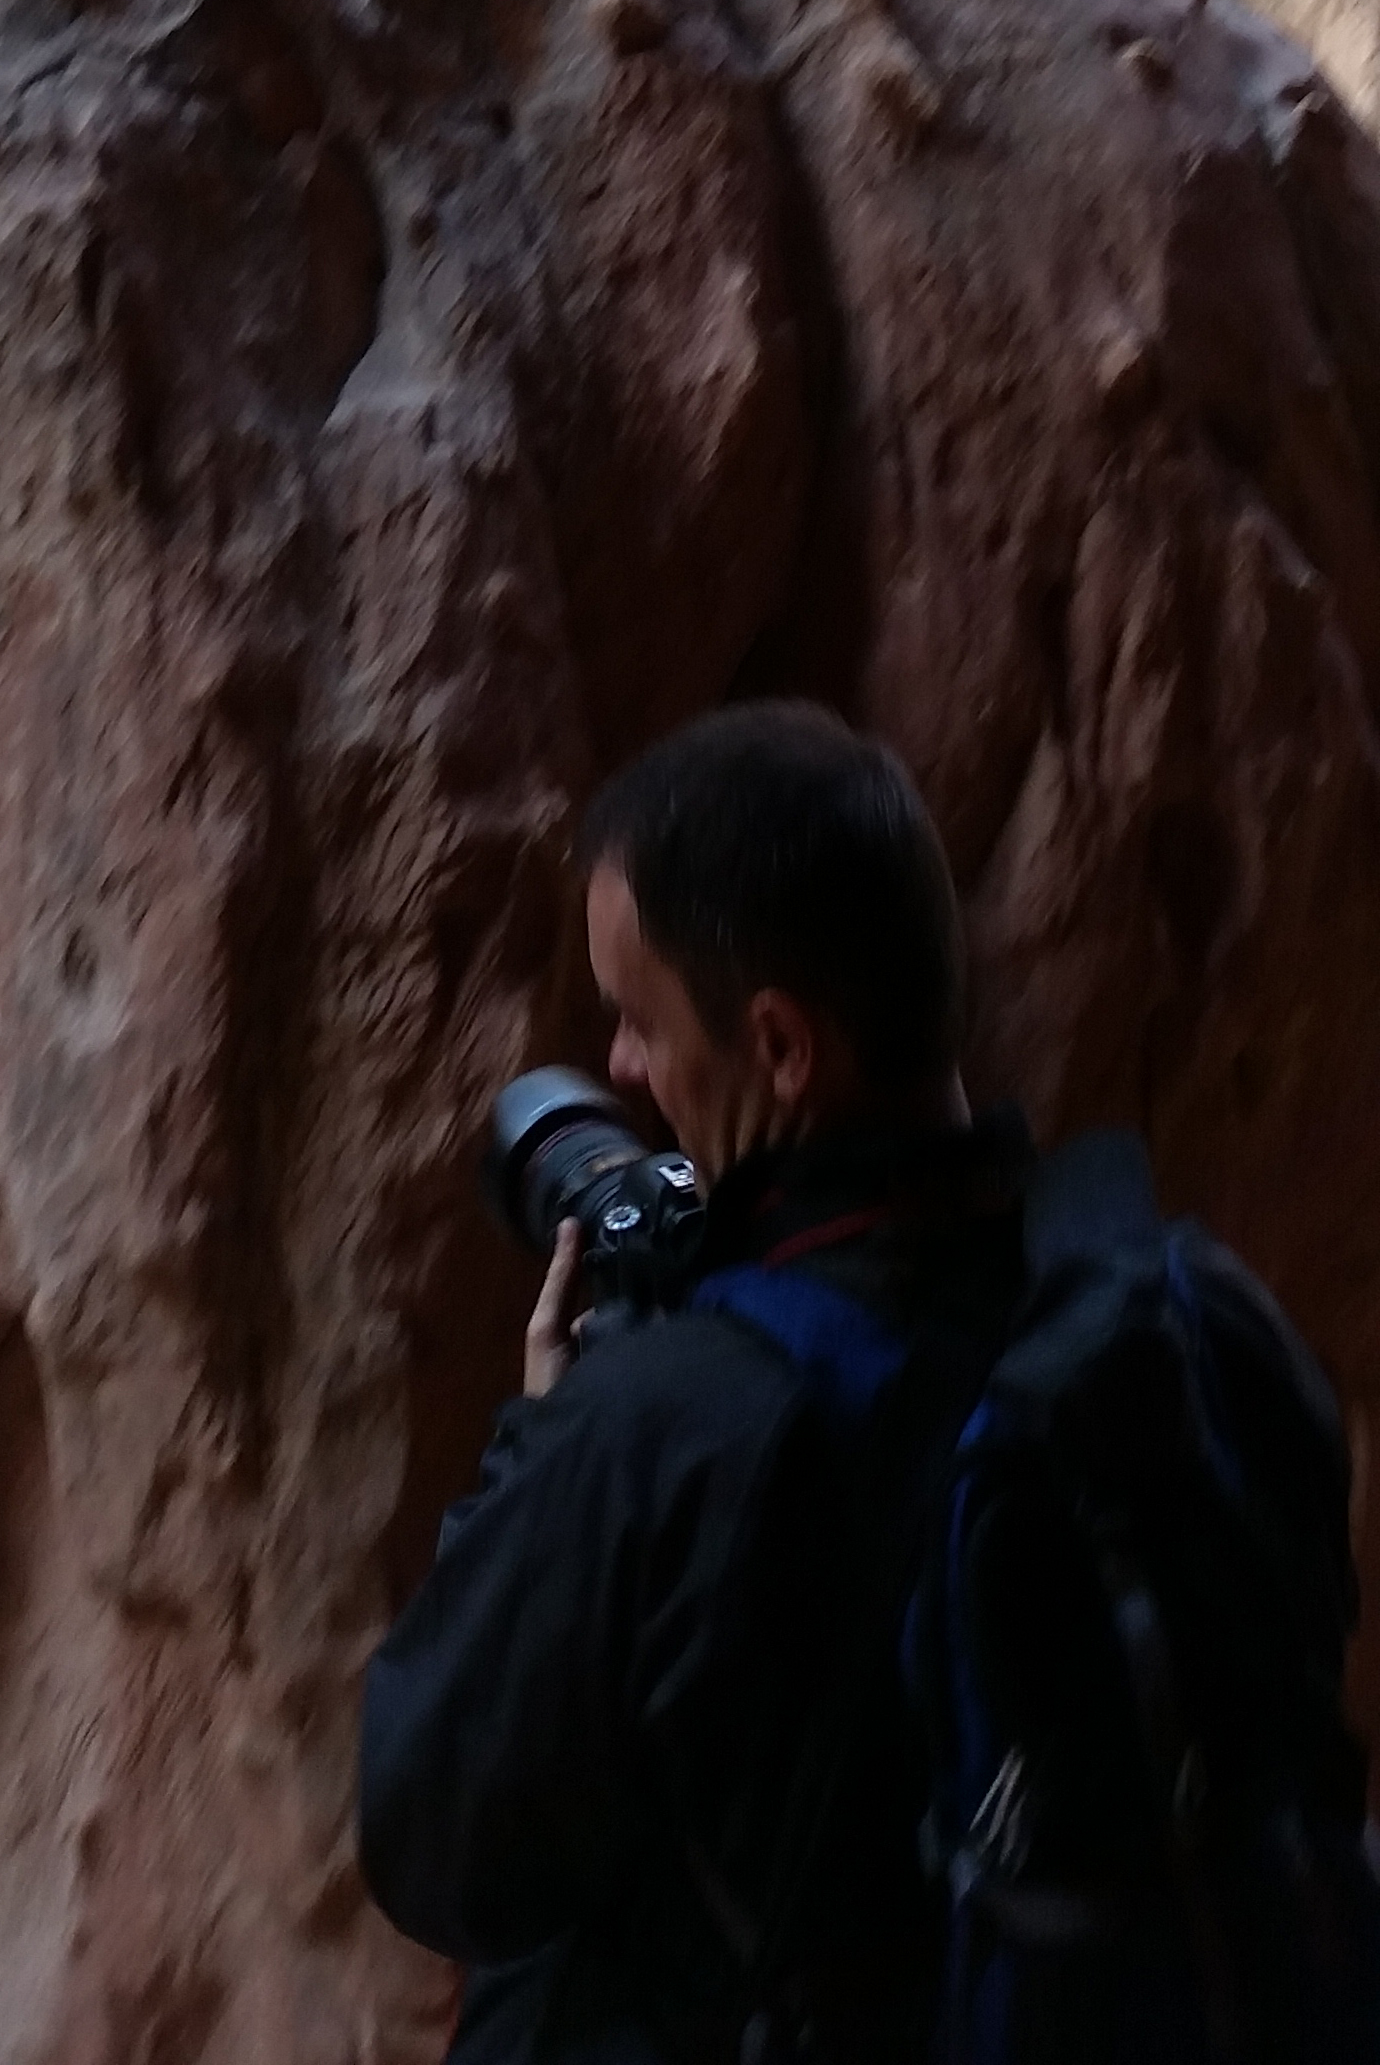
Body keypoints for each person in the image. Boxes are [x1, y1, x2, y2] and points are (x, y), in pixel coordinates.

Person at [357, 704, 1374, 2065]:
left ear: (780, 1047)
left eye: (638, 1017)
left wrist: (541, 1447)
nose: (618, 1070)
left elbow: (432, 1838)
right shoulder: (1185, 1316)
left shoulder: (671, 1428)